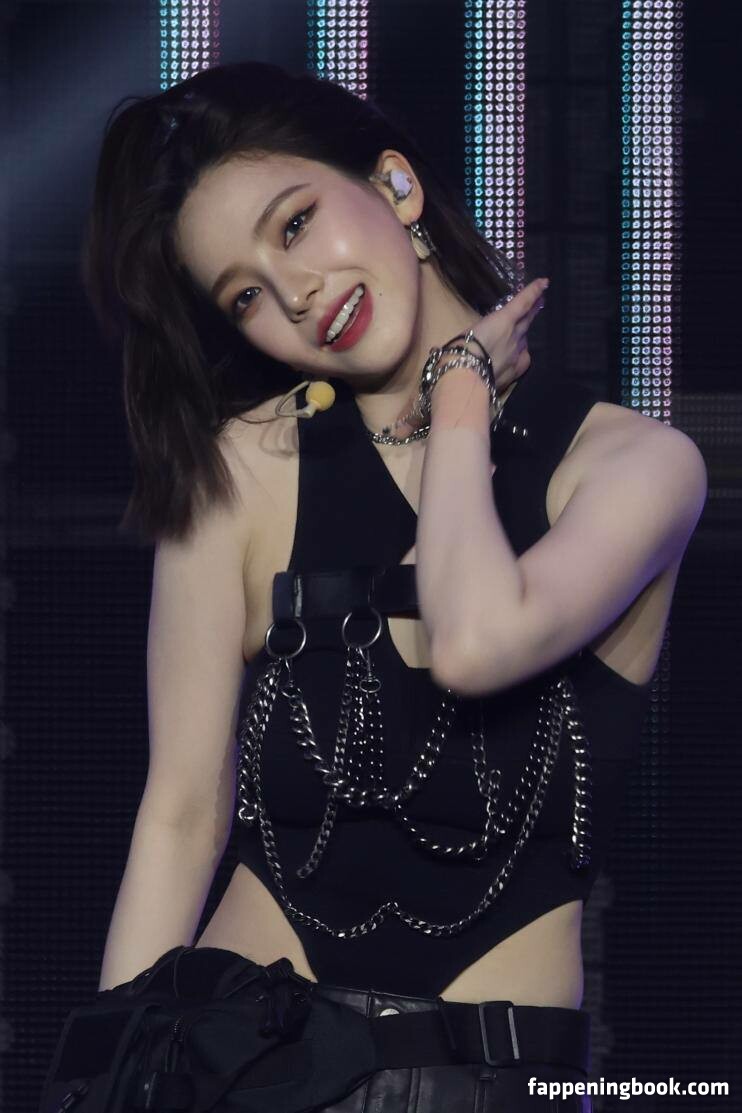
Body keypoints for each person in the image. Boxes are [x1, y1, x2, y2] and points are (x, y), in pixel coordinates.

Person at [80, 61, 707, 1111]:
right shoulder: (243, 468)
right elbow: (180, 814)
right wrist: (103, 1088)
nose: (295, 293)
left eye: (295, 225)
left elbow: (471, 642)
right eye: (245, 294)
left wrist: (457, 392)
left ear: (396, 187)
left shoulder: (634, 466)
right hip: (241, 1063)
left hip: (493, 1075)